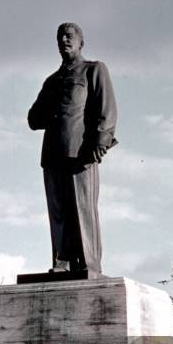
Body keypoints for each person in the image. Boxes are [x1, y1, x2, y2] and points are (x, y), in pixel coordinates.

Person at [28, 22, 118, 277]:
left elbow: (107, 108)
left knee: (83, 207)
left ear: (81, 42)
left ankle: (90, 265)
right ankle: (62, 262)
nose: (64, 40)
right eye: (60, 37)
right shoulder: (52, 81)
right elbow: (34, 119)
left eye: (69, 36)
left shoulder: (94, 70)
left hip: (81, 152)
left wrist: (102, 141)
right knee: (58, 211)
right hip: (53, 153)